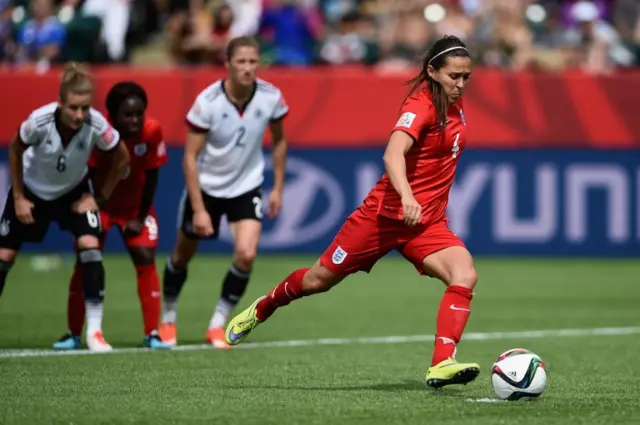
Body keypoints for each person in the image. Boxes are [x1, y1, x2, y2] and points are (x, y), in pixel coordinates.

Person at [225, 35, 480, 389]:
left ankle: (441, 363)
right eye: (454, 76)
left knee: (464, 274)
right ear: (433, 72)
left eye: (466, 77)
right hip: (383, 217)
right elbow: (392, 154)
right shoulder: (420, 105)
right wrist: (406, 195)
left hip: (425, 224)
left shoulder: (455, 106)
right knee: (317, 280)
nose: (461, 84)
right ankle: (263, 307)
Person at [159, 36, 288, 349]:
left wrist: (278, 189)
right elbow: (189, 156)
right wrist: (199, 207)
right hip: (207, 188)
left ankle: (218, 322)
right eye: (241, 62)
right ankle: (168, 317)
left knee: (246, 254)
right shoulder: (208, 102)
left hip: (246, 186)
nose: (247, 68)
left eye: (253, 62)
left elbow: (280, 141)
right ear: (228, 64)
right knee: (181, 255)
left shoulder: (271, 97)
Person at [0, 63, 130, 352]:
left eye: (85, 108)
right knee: (4, 255)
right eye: (73, 108)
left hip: (74, 193)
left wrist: (99, 199)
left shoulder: (96, 124)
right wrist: (19, 197)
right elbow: (15, 148)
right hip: (33, 191)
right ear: (60, 103)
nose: (79, 115)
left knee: (91, 248)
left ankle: (95, 332)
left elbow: (122, 158)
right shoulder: (39, 121)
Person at [53, 82, 171, 351]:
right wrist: (92, 204)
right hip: (101, 206)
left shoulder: (152, 131)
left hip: (135, 207)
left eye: (139, 113)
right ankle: (73, 333)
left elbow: (152, 176)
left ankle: (152, 333)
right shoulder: (96, 132)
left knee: (145, 255)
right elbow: (86, 172)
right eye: (127, 115)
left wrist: (140, 217)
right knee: (87, 260)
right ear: (112, 115)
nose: (135, 120)